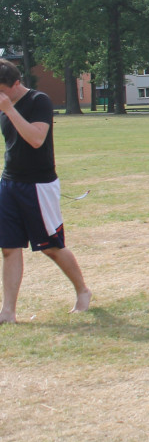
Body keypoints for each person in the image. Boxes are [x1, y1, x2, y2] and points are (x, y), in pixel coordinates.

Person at [0, 59, 91, 324]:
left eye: (3, 90)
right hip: (9, 183)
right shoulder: (5, 103)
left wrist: (9, 109)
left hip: (39, 186)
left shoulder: (39, 101)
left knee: (50, 247)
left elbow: (36, 139)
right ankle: (8, 312)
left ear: (16, 83)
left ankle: (83, 291)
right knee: (8, 248)